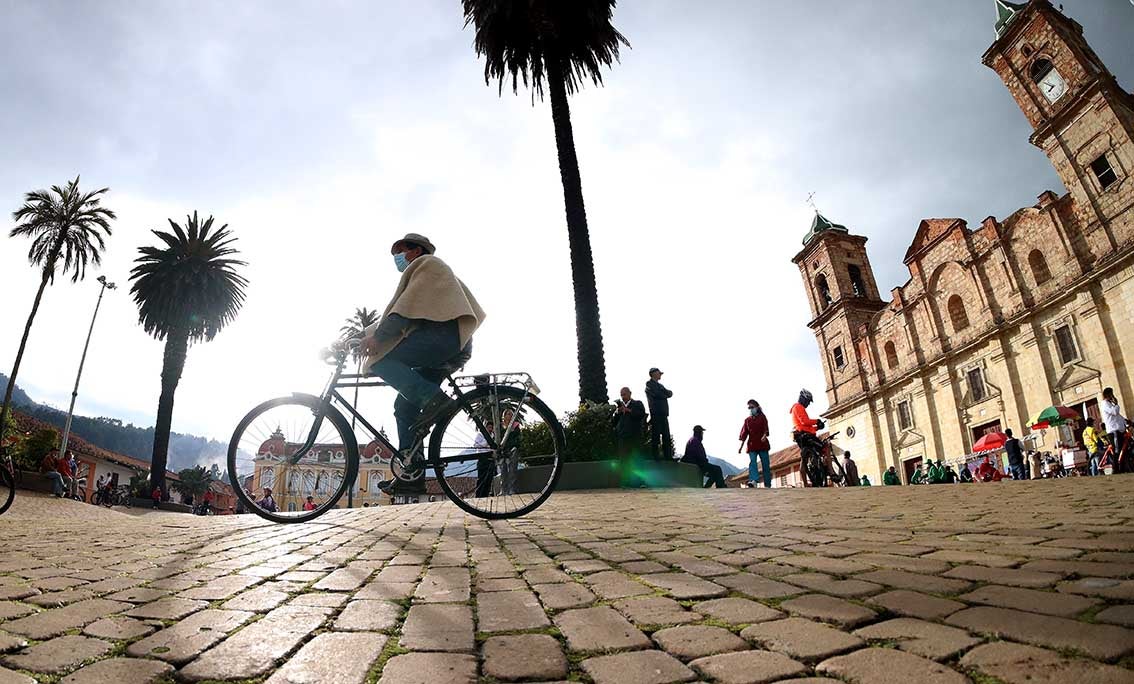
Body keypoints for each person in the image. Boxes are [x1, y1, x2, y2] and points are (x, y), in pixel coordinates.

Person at [359, 233, 485, 494]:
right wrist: (353, 339)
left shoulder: (427, 266)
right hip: (442, 344)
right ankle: (411, 473)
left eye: (400, 250)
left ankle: (436, 401)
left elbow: (401, 315)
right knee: (404, 407)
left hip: (443, 340)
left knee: (383, 362)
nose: (397, 257)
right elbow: (389, 318)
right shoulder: (421, 274)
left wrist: (377, 340)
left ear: (416, 251)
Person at [612, 387, 647, 486]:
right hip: (623, 438)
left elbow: (641, 414)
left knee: (638, 460)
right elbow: (614, 423)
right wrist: (617, 413)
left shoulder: (637, 404)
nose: (623, 397)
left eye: (625, 394)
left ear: (630, 393)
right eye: (621, 395)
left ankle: (640, 482)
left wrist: (628, 410)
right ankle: (625, 482)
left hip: (635, 436)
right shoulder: (619, 408)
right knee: (624, 460)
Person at [790, 389, 825, 487]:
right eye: (808, 401)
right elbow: (805, 421)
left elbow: (806, 426)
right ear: (803, 399)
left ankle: (806, 483)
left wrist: (817, 427)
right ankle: (831, 471)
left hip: (804, 435)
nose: (808, 404)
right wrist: (817, 421)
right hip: (806, 436)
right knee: (825, 446)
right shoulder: (798, 407)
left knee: (804, 460)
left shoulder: (798, 408)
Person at [738, 399, 771, 488]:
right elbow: (744, 434)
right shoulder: (747, 420)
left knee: (765, 464)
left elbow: (766, 429)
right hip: (752, 445)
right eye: (749, 408)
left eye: (752, 407)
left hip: (762, 445)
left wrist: (764, 435)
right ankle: (754, 480)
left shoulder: (762, 417)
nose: (750, 409)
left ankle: (767, 484)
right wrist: (741, 447)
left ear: (757, 407)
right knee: (753, 462)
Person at [645, 368, 674, 460]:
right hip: (656, 413)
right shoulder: (649, 384)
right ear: (653, 374)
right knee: (656, 436)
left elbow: (670, 393)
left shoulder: (660, 385)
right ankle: (655, 456)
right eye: (658, 373)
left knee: (666, 435)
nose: (660, 375)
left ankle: (668, 456)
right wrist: (664, 394)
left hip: (663, 413)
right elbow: (658, 394)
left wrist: (664, 394)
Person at [1102, 388, 1128, 473]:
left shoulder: (1110, 404)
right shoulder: (1105, 404)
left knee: (1124, 450)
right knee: (1117, 450)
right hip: (1114, 431)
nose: (1112, 396)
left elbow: (1118, 416)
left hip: (1120, 430)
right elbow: (1114, 412)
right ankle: (1116, 470)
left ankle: (1123, 468)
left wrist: (1127, 421)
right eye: (1111, 394)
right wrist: (1116, 404)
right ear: (1108, 395)